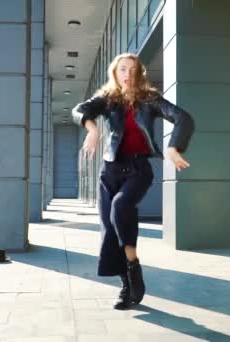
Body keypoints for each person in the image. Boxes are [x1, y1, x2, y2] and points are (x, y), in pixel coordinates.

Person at [71, 52, 194, 310]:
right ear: (115, 73)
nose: (127, 74)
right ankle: (127, 284)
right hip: (110, 171)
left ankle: (133, 266)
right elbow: (79, 110)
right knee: (110, 228)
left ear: (140, 74)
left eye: (133, 69)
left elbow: (183, 118)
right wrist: (92, 129)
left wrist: (173, 148)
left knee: (120, 207)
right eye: (122, 69)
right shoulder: (107, 99)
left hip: (138, 168)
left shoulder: (150, 99)